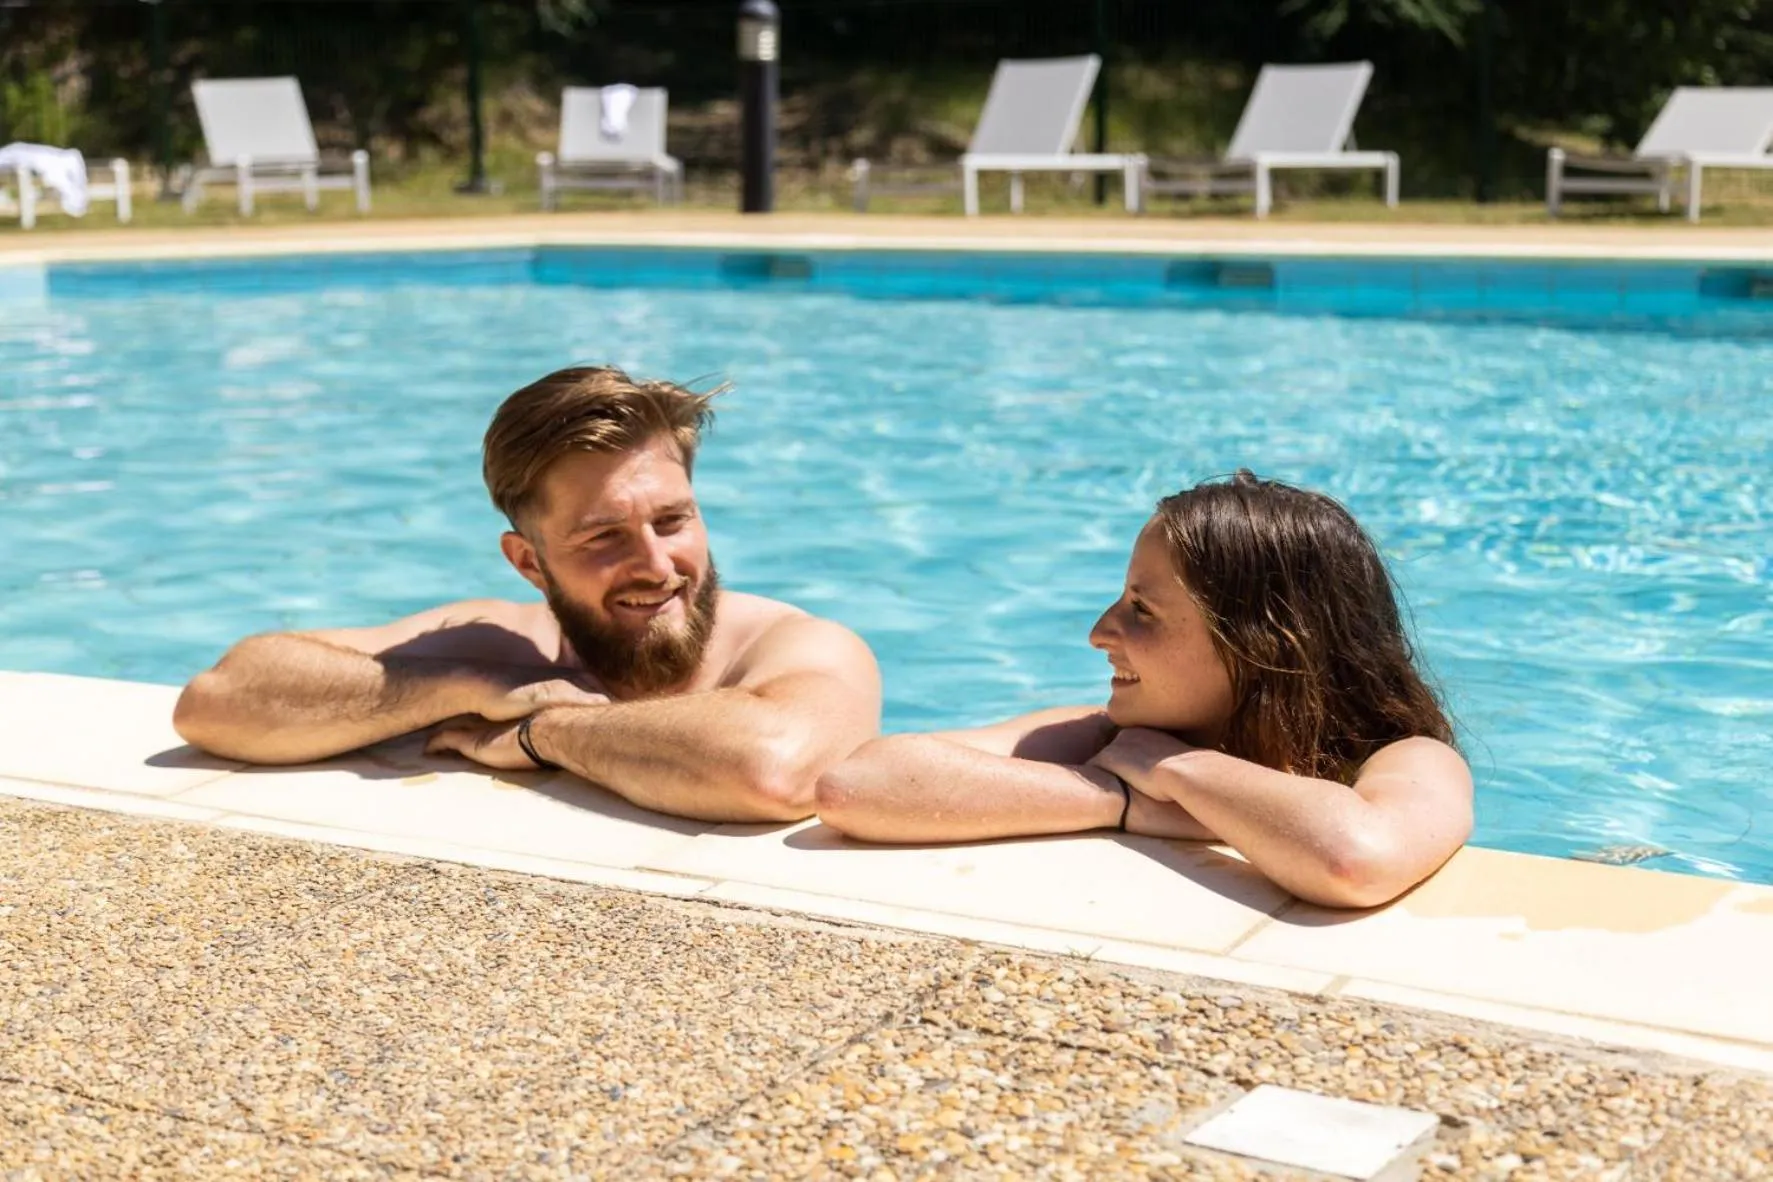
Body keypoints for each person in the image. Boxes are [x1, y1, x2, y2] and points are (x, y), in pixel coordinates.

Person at [174, 365, 881, 823]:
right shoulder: (505, 646)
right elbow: (219, 701)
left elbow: (774, 769)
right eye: (602, 537)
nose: (655, 564)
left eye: (673, 520)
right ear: (528, 563)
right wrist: (467, 686)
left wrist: (547, 731)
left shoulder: (793, 644)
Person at [815, 472, 1472, 909]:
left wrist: (1172, 768)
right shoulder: (1107, 737)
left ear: (1261, 643)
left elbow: (1354, 858)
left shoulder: (1404, 759)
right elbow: (857, 784)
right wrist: (1116, 798)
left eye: (1141, 610)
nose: (1101, 632)